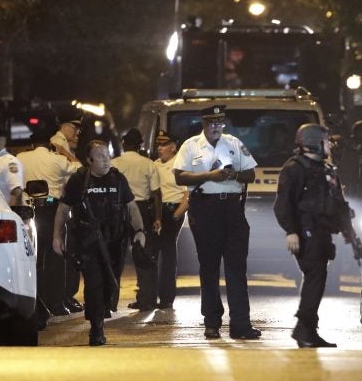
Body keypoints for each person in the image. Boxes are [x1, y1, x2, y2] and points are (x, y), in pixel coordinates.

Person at [172, 105, 261, 340]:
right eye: (211, 122)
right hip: (205, 210)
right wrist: (208, 176)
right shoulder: (191, 146)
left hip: (232, 208)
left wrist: (234, 175)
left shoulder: (234, 143)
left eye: (219, 122)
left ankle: (241, 325)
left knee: (236, 269)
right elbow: (179, 175)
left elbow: (251, 175)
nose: (215, 127)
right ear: (203, 122)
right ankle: (211, 322)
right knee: (209, 268)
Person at [52, 140, 145, 346]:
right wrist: (57, 237)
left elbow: (132, 207)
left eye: (108, 156)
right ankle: (96, 328)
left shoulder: (118, 179)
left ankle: (102, 312)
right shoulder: (79, 180)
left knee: (110, 284)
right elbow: (62, 210)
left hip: (114, 243)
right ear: (89, 160)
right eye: (100, 157)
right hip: (89, 244)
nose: (106, 161)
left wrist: (139, 231)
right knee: (94, 284)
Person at [274, 123, 351, 348]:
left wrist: (346, 228)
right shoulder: (295, 168)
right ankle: (303, 328)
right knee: (314, 278)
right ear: (314, 142)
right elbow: (283, 204)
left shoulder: (325, 169)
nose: (331, 145)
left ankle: (308, 329)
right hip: (306, 233)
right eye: (327, 141)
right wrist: (291, 231)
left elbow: (337, 202)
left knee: (317, 279)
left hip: (322, 232)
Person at [17, 128, 82, 318]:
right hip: (53, 211)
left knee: (33, 258)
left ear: (31, 144)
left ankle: (37, 301)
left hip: (28, 212)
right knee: (56, 256)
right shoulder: (58, 159)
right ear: (49, 144)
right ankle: (56, 303)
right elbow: (79, 168)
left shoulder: (21, 157)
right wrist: (65, 152)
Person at [111, 129, 162, 312]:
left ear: (124, 144)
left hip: (118, 210)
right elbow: (156, 194)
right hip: (141, 210)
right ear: (140, 146)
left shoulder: (113, 164)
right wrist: (157, 218)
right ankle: (147, 300)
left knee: (115, 254)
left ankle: (111, 301)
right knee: (143, 254)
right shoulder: (149, 164)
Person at [153, 130, 189, 309]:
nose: (160, 148)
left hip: (173, 210)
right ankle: (150, 295)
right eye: (158, 145)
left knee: (167, 254)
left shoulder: (179, 165)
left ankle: (166, 297)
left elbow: (187, 196)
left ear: (173, 147)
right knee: (152, 252)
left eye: (164, 145)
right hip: (158, 211)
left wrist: (175, 216)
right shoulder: (155, 164)